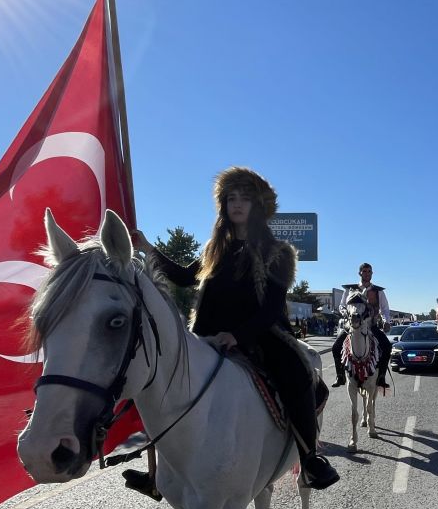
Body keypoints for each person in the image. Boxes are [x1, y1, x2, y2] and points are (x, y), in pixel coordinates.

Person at [132, 167, 339, 490]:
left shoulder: (278, 252)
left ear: (258, 206)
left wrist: (237, 335)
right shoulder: (215, 249)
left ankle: (309, 457)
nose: (237, 204)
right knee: (157, 376)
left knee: (297, 374)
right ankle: (157, 472)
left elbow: (271, 308)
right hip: (206, 335)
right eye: (231, 198)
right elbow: (185, 277)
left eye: (244, 198)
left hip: (261, 335)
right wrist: (147, 247)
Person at [330, 262, 392, 390]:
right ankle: (340, 375)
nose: (367, 273)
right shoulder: (350, 289)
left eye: (369, 271)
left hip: (371, 325)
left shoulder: (378, 291)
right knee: (336, 347)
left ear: (372, 273)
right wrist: (345, 313)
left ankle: (381, 377)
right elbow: (342, 305)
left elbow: (385, 309)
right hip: (352, 325)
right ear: (360, 273)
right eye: (364, 271)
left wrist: (387, 321)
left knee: (387, 346)